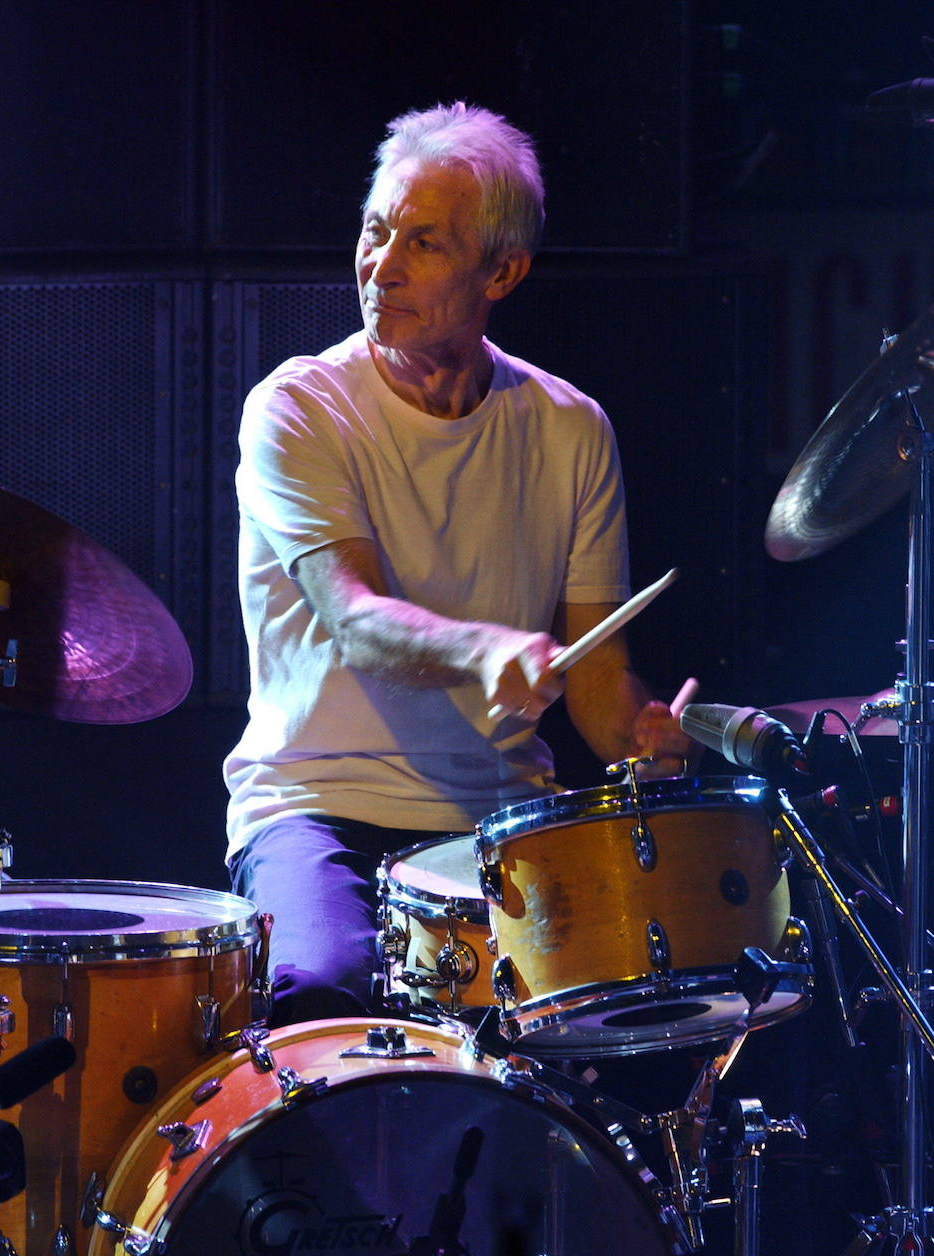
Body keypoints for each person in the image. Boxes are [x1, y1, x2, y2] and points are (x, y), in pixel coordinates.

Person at [224, 102, 694, 1027]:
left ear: (502, 272)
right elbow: (356, 619)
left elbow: (593, 677)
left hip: (502, 817)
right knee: (321, 997)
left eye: (424, 243)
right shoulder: (298, 407)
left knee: (631, 1012)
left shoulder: (569, 428)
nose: (381, 265)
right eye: (374, 229)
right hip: (318, 805)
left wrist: (640, 737)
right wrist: (485, 653)